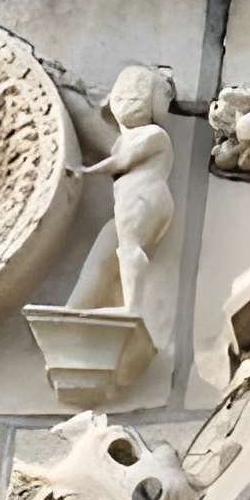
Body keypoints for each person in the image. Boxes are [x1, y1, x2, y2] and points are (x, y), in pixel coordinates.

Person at [58, 64, 177, 317]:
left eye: (132, 97)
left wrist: (85, 171)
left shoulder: (154, 134)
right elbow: (104, 136)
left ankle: (132, 309)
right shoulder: (126, 138)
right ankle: (75, 309)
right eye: (122, 97)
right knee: (104, 250)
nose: (125, 103)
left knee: (129, 248)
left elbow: (122, 160)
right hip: (134, 198)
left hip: (144, 198)